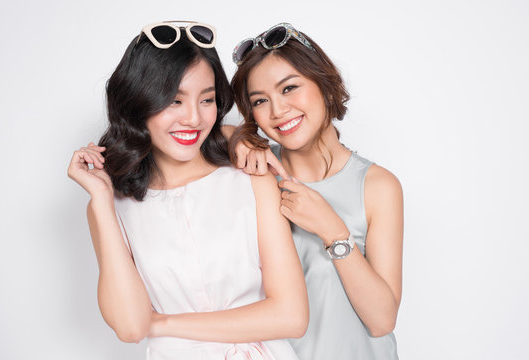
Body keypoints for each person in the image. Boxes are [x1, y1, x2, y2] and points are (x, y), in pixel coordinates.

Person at [67, 21, 308, 359]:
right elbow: (131, 327)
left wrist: (163, 323)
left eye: (206, 99)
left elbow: (291, 316)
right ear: (139, 103)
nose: (194, 118)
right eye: (174, 101)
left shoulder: (251, 177)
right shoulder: (112, 205)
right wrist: (103, 201)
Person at [227, 22, 403, 359]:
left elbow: (382, 321)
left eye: (289, 88)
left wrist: (332, 230)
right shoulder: (254, 174)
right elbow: (195, 134)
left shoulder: (378, 186)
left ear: (324, 84)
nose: (277, 111)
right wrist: (236, 136)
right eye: (260, 100)